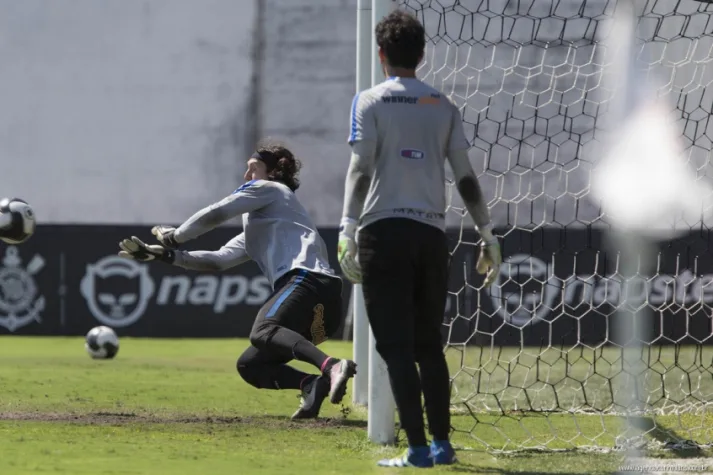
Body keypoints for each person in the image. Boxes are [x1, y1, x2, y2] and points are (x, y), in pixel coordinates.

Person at [338, 10, 502, 468]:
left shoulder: (368, 101)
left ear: (381, 54)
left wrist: (346, 228)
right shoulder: (442, 105)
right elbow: (466, 177)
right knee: (429, 345)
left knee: (394, 348)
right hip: (432, 235)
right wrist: (486, 232)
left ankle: (415, 450)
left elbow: (360, 168)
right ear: (422, 55)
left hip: (382, 233)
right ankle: (443, 444)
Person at [118, 140, 357, 420]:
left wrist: (175, 236)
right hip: (324, 312)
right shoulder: (271, 221)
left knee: (263, 330)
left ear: (273, 172)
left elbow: (218, 212)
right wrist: (168, 256)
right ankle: (311, 385)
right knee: (250, 365)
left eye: (253, 169)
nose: (246, 177)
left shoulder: (271, 189)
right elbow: (219, 260)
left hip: (308, 283)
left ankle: (330, 366)